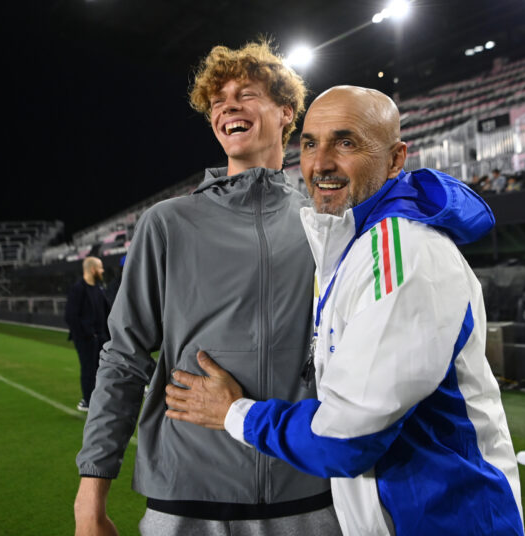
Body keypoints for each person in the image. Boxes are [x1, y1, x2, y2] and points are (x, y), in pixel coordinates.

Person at [165, 86, 524, 535]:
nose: (321, 163)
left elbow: (346, 437)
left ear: (395, 159)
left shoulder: (402, 253)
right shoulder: (354, 244)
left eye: (346, 142)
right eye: (311, 143)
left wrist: (234, 412)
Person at [73, 42, 339, 536]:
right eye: (217, 102)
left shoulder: (327, 223)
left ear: (286, 112)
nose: (226, 107)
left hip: (307, 494)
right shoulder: (167, 223)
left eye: (245, 94)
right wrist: (91, 494)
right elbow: (124, 357)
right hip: (184, 498)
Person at [65, 256, 110, 412]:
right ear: (92, 269)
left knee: (101, 369)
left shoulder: (99, 289)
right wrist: (87, 335)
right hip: (86, 340)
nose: (102, 270)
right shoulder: (78, 289)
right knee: (88, 369)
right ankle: (87, 400)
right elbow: (71, 316)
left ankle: (98, 398)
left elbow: (106, 312)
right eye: (100, 267)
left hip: (101, 338)